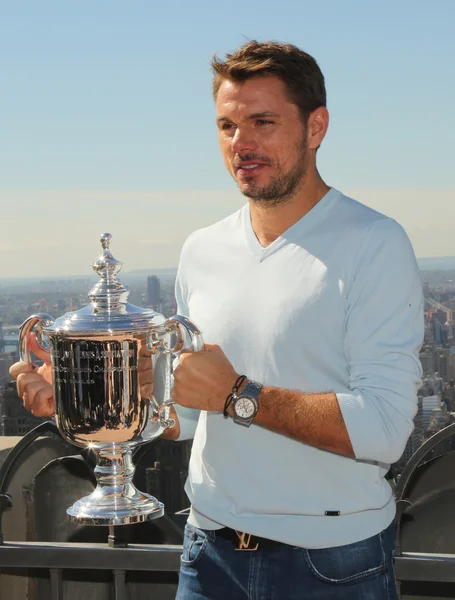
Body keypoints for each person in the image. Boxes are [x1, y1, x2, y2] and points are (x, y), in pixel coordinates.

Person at [10, 41, 424, 599]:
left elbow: (386, 428)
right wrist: (80, 402)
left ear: (315, 126)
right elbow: (182, 408)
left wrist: (238, 394)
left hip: (330, 562)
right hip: (208, 553)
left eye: (262, 122)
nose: (241, 143)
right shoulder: (202, 249)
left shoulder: (373, 242)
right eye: (227, 126)